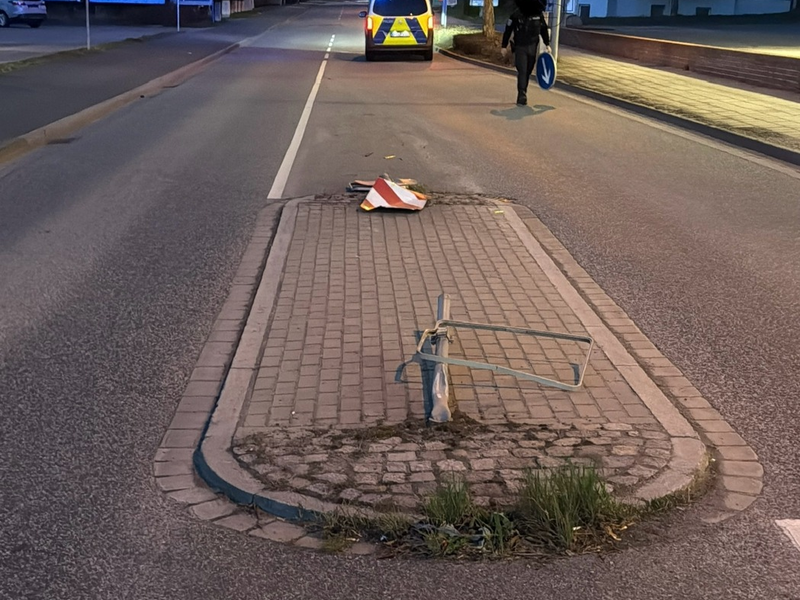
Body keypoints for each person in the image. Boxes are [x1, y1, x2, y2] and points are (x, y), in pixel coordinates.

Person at [501, 0, 552, 106]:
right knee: (522, 71)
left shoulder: (538, 15)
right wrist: (504, 45)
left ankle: (524, 90)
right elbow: (508, 29)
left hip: (533, 47)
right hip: (520, 47)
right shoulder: (516, 15)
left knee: (528, 71)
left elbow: (543, 29)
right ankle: (521, 95)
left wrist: (547, 44)